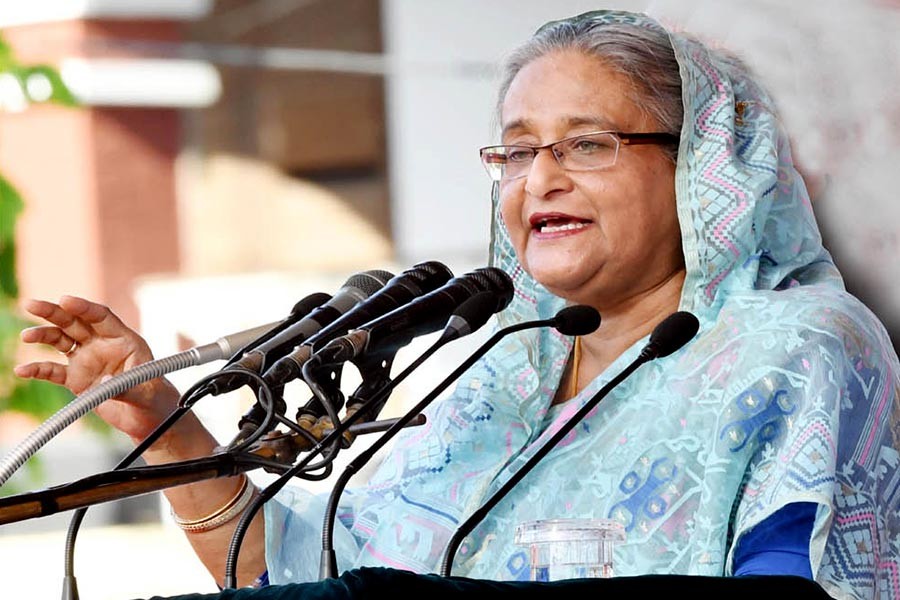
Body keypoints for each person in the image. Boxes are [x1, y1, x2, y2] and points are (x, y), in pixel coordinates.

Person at [12, 9, 899, 600]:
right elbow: (299, 576)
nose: (538, 179)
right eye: (516, 153)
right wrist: (171, 429)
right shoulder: (496, 368)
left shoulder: (798, 344)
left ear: (703, 166)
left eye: (585, 144)